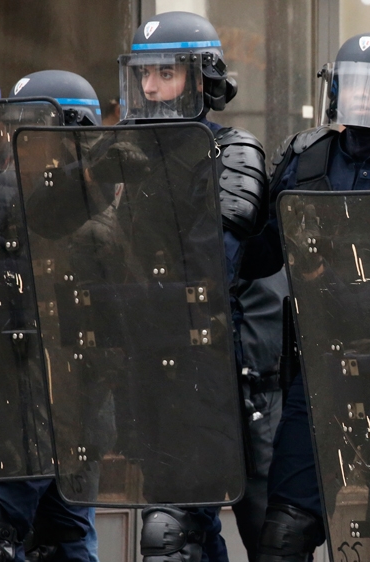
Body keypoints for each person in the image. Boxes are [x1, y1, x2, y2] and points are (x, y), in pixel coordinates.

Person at [245, 32, 370, 562]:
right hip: (319, 372)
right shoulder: (304, 159)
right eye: (348, 83)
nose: (356, 95)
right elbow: (260, 255)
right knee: (284, 533)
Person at [115, 11, 268, 562]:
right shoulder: (123, 153)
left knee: (173, 532)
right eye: (144, 75)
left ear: (203, 77)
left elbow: (212, 270)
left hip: (206, 366)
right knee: (181, 528)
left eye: (166, 74)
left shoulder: (233, 154)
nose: (151, 88)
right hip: (140, 363)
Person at [0, 70, 100, 562]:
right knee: (64, 537)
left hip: (61, 397)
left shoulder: (85, 215)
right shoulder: (13, 197)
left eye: (31, 130)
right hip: (19, 388)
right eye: (13, 128)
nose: (17, 143)